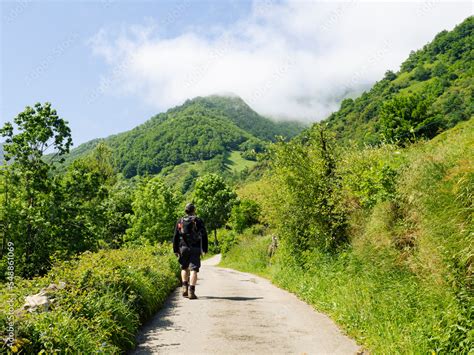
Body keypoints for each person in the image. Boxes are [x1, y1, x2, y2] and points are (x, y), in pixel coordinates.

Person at [173, 203, 208, 299]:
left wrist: (175, 249)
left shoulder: (180, 221)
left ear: (185, 210)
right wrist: (205, 248)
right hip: (195, 248)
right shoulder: (198, 220)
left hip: (183, 248)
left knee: (184, 268)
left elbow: (176, 236)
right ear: (194, 210)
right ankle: (191, 291)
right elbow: (204, 235)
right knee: (194, 270)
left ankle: (184, 287)